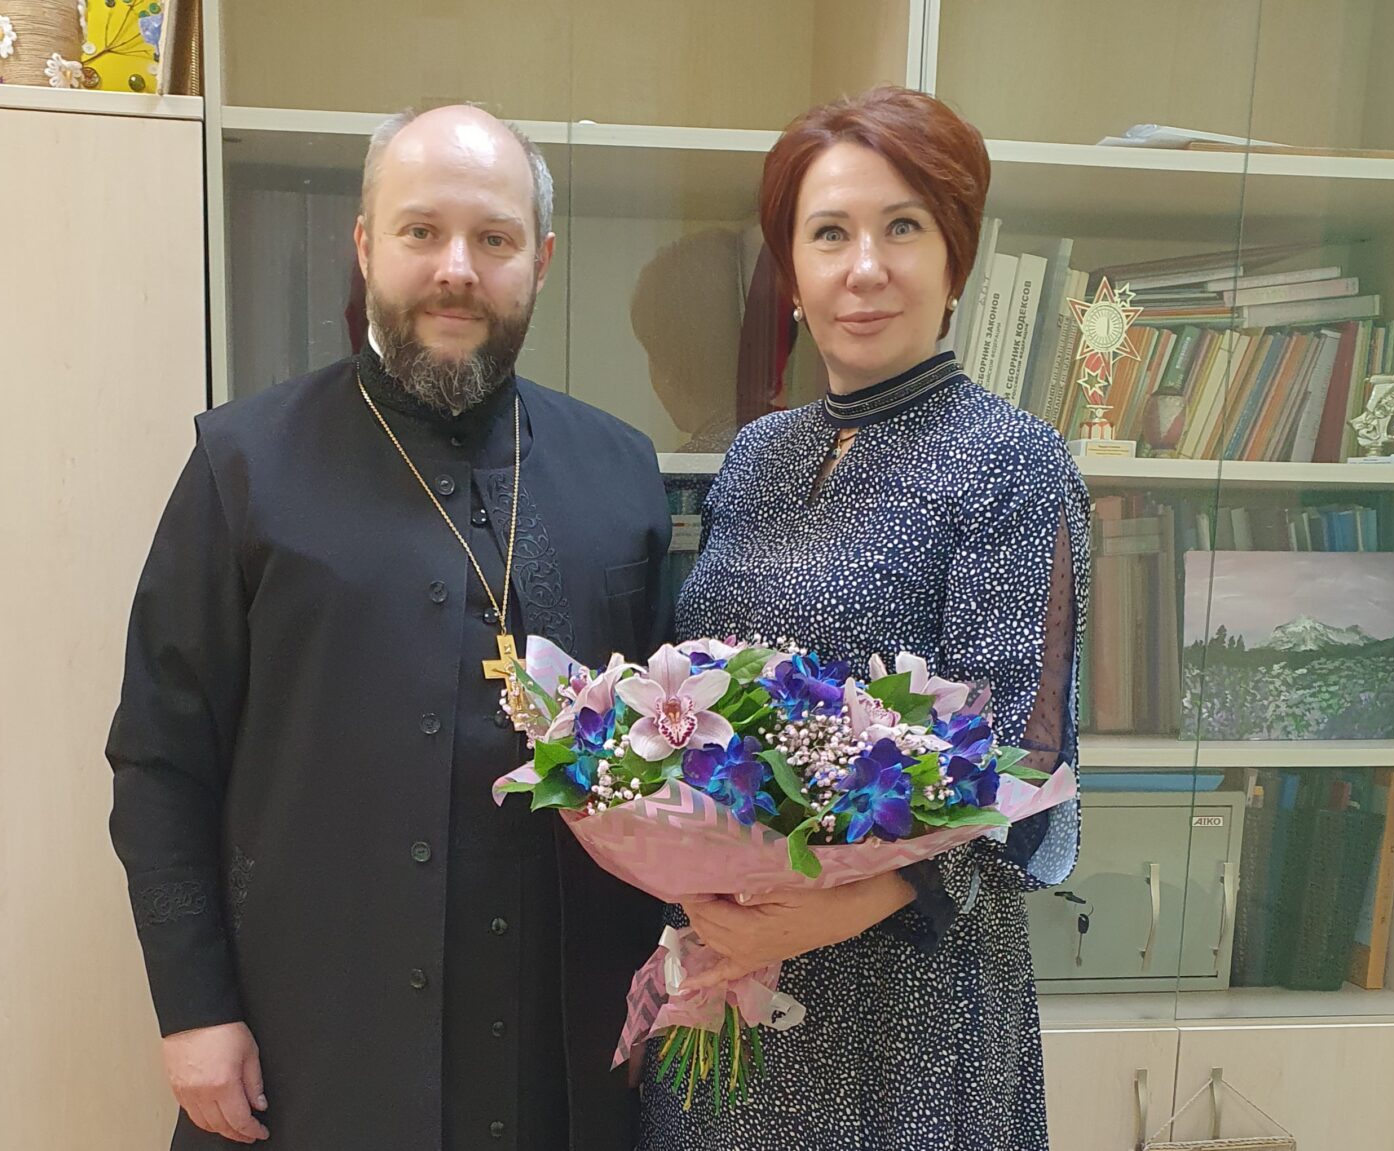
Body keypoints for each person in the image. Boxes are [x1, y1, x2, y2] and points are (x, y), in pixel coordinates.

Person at [107, 104, 671, 1150]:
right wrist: (193, 1006)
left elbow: (668, 762)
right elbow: (159, 762)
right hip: (315, 1042)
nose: (457, 268)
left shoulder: (622, 471)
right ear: (366, 246)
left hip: (566, 1049)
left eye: (493, 238)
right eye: (422, 231)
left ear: (540, 261)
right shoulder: (243, 465)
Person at [640, 87, 1091, 1150]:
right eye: (830, 233)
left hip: (907, 1005)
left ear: (955, 261)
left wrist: (833, 905)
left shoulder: (1011, 461)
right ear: (792, 274)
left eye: (904, 227)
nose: (866, 267)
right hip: (728, 969)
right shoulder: (759, 454)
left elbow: (1026, 770)